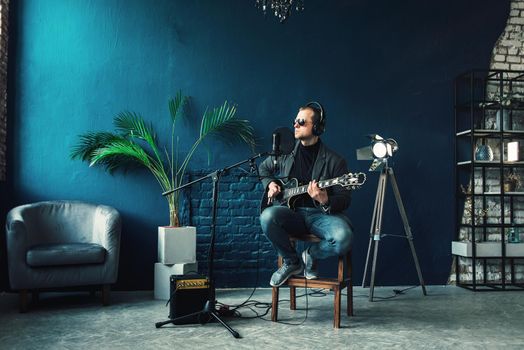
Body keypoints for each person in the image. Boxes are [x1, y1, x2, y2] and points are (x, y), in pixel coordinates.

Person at [259, 102, 353, 287]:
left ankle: (310, 255)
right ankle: (292, 262)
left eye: (301, 122)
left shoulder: (335, 161)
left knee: (343, 237)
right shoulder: (285, 153)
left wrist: (325, 200)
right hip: (291, 214)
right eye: (295, 121)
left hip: (320, 215)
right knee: (267, 216)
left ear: (316, 128)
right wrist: (270, 184)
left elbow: (344, 199)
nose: (295, 125)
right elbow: (263, 168)